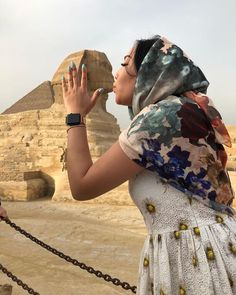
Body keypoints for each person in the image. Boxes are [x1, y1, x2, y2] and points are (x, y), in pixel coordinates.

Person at [1, 35, 236, 294]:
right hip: (208, 246)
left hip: (197, 255)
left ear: (148, 71)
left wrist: (75, 116)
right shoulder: (180, 110)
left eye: (125, 63)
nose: (114, 71)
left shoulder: (157, 120)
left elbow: (81, 186)